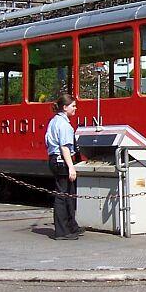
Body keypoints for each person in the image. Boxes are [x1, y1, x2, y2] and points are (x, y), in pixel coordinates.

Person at [44, 94, 84, 240]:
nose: (75, 108)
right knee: (63, 195)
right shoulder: (64, 125)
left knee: (68, 193)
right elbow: (65, 147)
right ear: (65, 107)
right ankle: (62, 231)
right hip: (62, 161)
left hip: (54, 160)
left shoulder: (54, 121)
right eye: (73, 106)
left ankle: (71, 226)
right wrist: (71, 167)